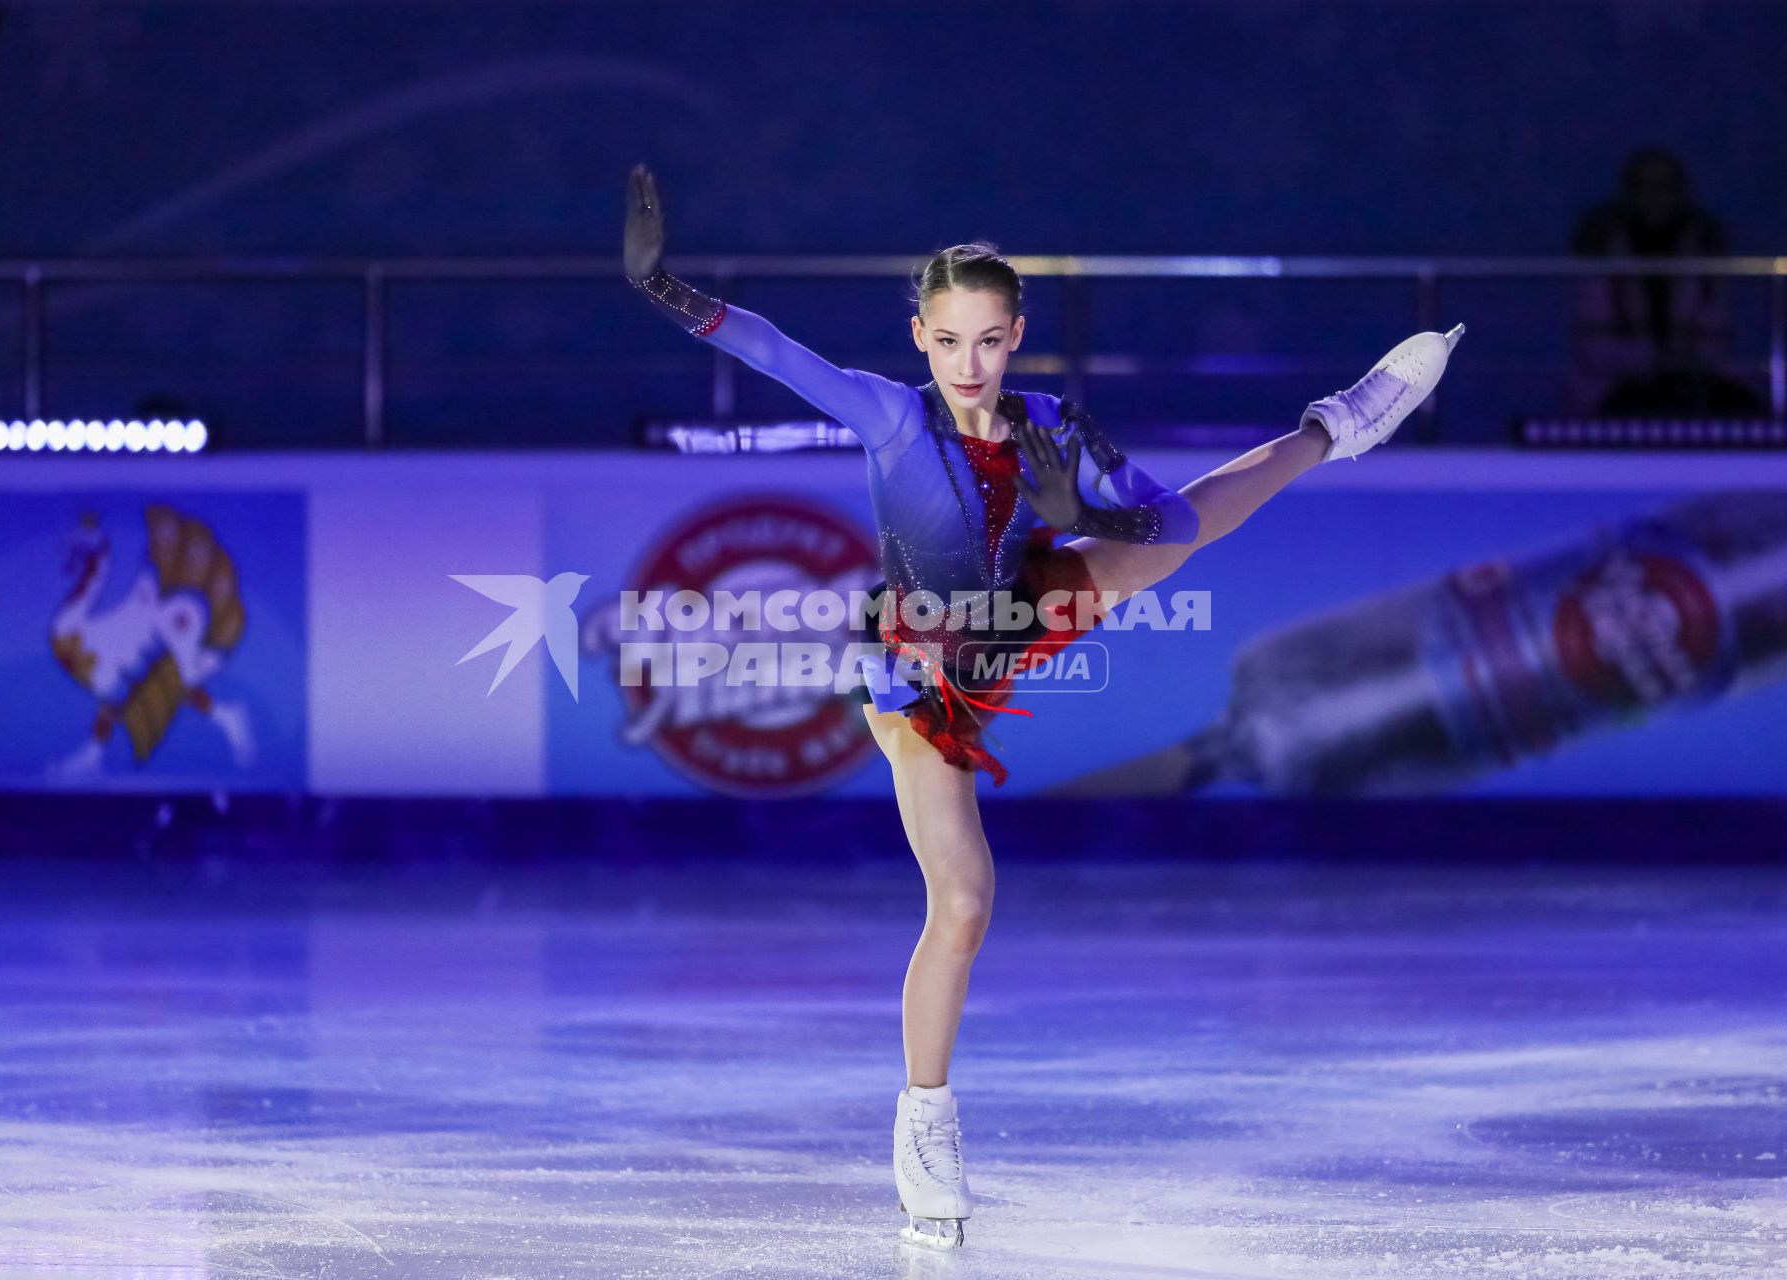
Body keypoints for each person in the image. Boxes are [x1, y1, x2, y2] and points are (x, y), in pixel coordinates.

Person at [622, 162, 1462, 1249]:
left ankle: (1330, 429)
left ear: (1015, 334)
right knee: (964, 902)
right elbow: (781, 353)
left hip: (1020, 610)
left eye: (989, 340)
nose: (970, 364)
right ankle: (925, 1123)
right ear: (918, 336)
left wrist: (1084, 510)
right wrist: (668, 291)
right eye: (949, 340)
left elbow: (1166, 527)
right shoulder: (889, 416)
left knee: (1176, 534)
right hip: (921, 673)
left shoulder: (1057, 427)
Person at [1567, 147, 1761, 416]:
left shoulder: (1704, 250)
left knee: (1743, 408)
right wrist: (1654, 358)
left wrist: (1690, 358)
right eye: (1645, 186)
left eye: (1665, 186)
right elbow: (1592, 346)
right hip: (1618, 385)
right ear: (1629, 192)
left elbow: (1719, 332)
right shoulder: (1602, 252)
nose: (1655, 196)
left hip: (1695, 379)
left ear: (1680, 192)